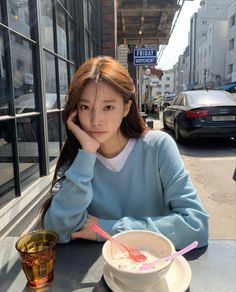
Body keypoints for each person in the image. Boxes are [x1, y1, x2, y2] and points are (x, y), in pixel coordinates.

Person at [41, 56, 209, 249]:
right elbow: (57, 231)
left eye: (108, 107)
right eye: (85, 107)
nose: (96, 120)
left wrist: (107, 229)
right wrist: (87, 153)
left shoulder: (158, 147)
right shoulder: (78, 156)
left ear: (126, 107)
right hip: (101, 272)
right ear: (75, 111)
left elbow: (196, 226)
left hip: (154, 268)